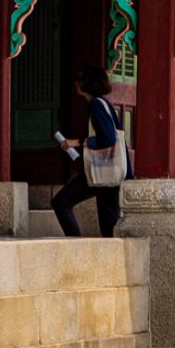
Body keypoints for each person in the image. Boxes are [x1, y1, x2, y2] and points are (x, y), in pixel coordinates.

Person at [49, 66, 124, 237]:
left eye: (80, 79)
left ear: (88, 84)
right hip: (111, 173)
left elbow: (108, 139)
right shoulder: (105, 104)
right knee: (109, 226)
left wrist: (78, 142)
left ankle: (76, 246)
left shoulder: (96, 105)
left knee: (61, 203)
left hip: (101, 170)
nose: (76, 83)